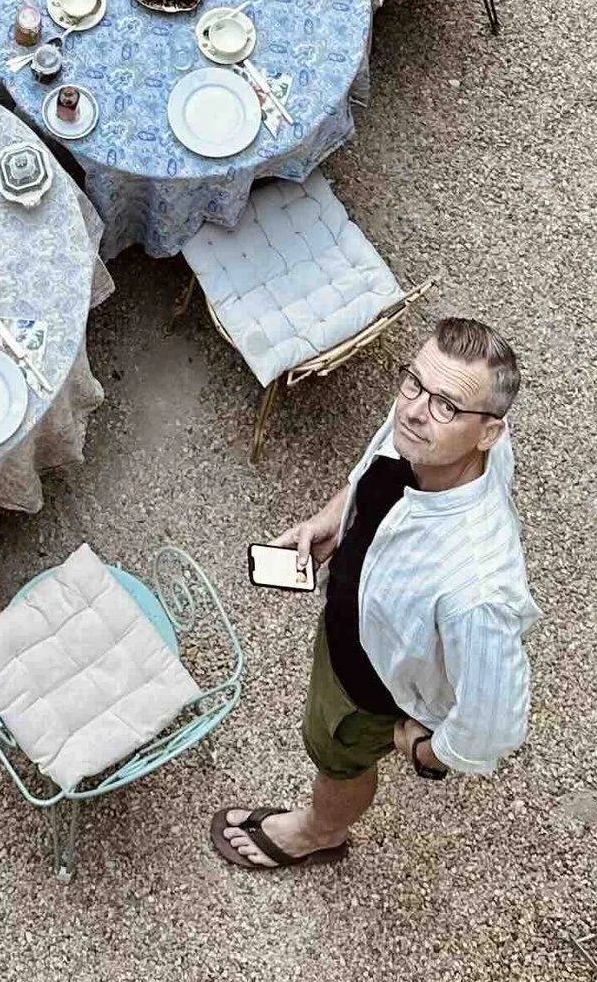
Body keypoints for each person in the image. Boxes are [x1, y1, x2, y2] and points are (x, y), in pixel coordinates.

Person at [211, 317, 538, 875]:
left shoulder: (477, 588)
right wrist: (333, 522)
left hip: (369, 687)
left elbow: (495, 723)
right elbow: (376, 470)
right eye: (413, 381)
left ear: (490, 434)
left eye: (446, 405)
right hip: (356, 629)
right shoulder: (429, 439)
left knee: (336, 757)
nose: (412, 410)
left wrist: (426, 752)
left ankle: (318, 831)